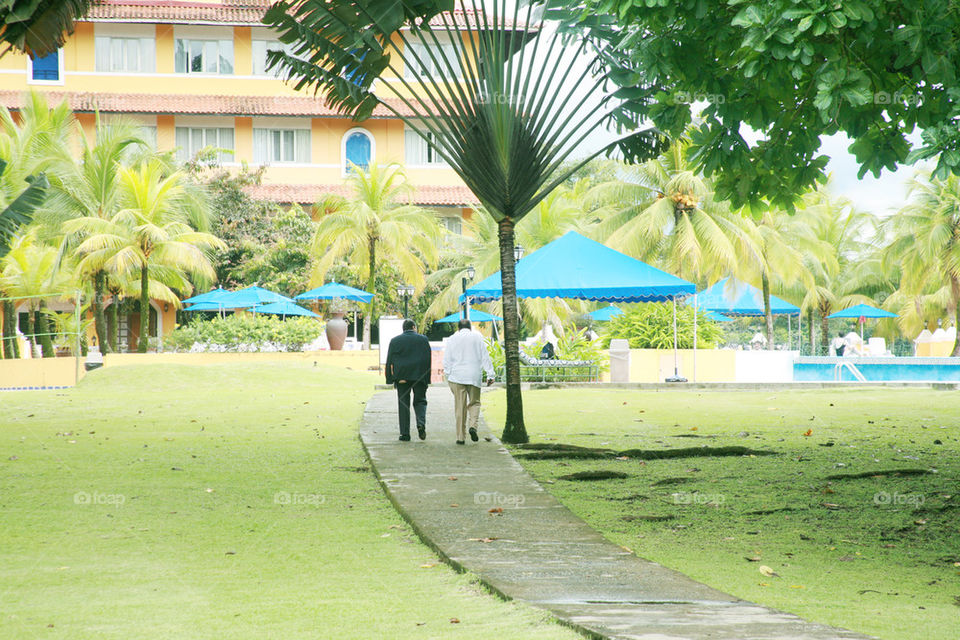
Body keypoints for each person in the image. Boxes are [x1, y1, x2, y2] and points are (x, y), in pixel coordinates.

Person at [443, 319, 495, 445]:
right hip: (473, 375)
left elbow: (447, 360)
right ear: (470, 328)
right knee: (475, 403)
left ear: (458, 328)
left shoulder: (451, 339)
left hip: (457, 376)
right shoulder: (477, 338)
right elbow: (485, 357)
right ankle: (473, 426)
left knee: (460, 408)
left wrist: (448, 374)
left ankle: (460, 437)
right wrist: (490, 374)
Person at [385, 319, 432, 442]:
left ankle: (405, 434)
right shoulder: (423, 339)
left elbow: (389, 360)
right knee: (420, 401)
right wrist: (427, 378)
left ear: (403, 329)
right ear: (414, 327)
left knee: (404, 404)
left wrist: (390, 378)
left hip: (402, 377)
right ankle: (421, 423)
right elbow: (428, 359)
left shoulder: (395, 341)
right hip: (419, 376)